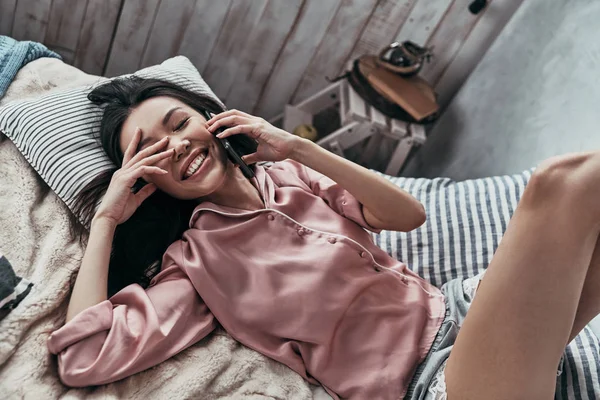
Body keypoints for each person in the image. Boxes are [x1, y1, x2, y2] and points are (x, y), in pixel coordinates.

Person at [47, 77, 600, 400]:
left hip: (461, 310)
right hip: (431, 385)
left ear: (210, 121)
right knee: (563, 183)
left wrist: (296, 148)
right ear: (145, 179)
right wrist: (105, 220)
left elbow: (406, 215)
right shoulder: (193, 267)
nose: (174, 146)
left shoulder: (290, 176)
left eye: (178, 123)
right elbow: (82, 356)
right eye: (148, 149)